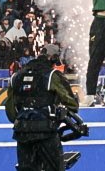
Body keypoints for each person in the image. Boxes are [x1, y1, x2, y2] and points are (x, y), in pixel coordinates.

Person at [6, 43, 80, 171]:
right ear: (54, 59)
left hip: (22, 133)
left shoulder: (16, 76)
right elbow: (72, 104)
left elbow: (11, 113)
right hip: (46, 133)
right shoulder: (52, 75)